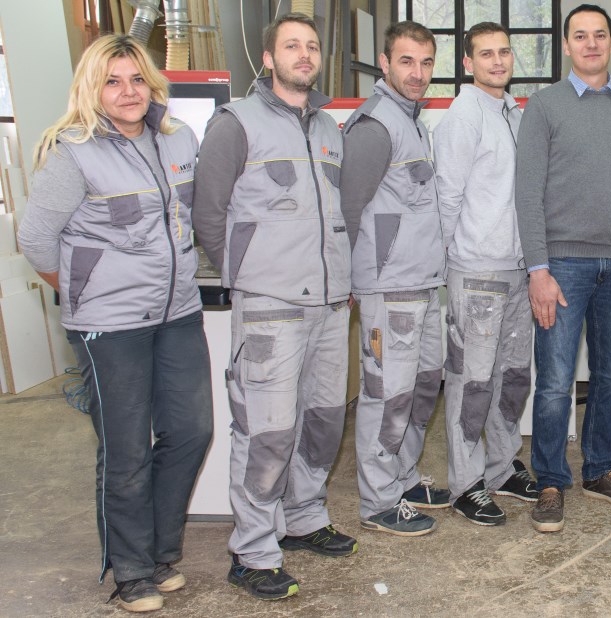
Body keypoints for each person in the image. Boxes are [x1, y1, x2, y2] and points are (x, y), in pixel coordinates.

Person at [17, 35, 213, 612]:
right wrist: (85, 290)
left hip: (178, 312)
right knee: (127, 449)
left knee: (192, 430)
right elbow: (36, 240)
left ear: (152, 84)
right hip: (110, 325)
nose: (128, 92)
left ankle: (159, 553)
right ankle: (131, 571)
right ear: (91, 88)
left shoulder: (178, 139)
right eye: (112, 81)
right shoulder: (72, 152)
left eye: (136, 79)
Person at [193, 13, 358, 600]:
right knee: (266, 432)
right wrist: (248, 275)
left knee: (323, 420)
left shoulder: (330, 128)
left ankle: (305, 517)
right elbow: (208, 213)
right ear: (269, 58)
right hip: (270, 308)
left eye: (311, 46)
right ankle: (253, 550)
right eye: (291, 45)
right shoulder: (235, 124)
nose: (304, 54)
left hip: (330, 304)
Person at [516, 3, 611, 533]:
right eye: (580, 35)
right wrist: (538, 269)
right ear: (567, 45)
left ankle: (600, 470)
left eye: (599, 35)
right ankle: (550, 481)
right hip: (563, 266)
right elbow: (527, 192)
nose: (591, 43)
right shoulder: (544, 105)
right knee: (554, 382)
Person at [341, 20, 450, 537]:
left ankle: (404, 479)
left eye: (426, 63)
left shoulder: (413, 120)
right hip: (388, 287)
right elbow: (348, 209)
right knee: (387, 393)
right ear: (385, 63)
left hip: (422, 283)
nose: (417, 73)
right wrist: (348, 282)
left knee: (422, 385)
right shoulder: (375, 125)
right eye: (406, 61)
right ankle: (379, 500)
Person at [434, 22, 539, 526]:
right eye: (486, 54)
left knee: (512, 378)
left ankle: (500, 467)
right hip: (476, 271)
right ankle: (466, 484)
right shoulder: (464, 114)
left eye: (504, 52)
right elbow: (447, 197)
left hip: (517, 270)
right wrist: (448, 265)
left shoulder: (513, 114)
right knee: (472, 382)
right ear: (468, 63)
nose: (497, 61)